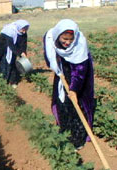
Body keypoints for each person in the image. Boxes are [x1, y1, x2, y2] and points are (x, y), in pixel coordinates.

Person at [43, 19, 94, 149]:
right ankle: (65, 131)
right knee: (63, 102)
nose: (67, 42)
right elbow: (49, 56)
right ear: (58, 35)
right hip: (62, 71)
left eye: (70, 40)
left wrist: (74, 90)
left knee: (77, 106)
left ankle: (77, 139)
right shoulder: (50, 37)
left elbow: (80, 71)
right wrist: (57, 66)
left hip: (79, 75)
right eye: (64, 39)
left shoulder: (79, 45)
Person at [0, 20, 29, 88]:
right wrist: (20, 53)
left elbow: (23, 44)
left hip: (13, 49)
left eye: (26, 30)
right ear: (18, 27)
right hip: (2, 48)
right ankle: (1, 82)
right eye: (23, 30)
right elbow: (11, 45)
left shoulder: (23, 33)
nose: (24, 32)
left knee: (12, 63)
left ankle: (12, 81)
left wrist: (23, 52)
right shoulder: (9, 31)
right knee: (3, 64)